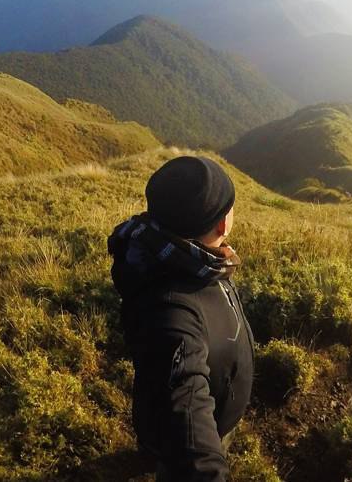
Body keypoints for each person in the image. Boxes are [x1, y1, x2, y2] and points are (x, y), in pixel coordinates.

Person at [108, 155, 254, 481]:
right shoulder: (174, 312)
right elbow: (186, 408)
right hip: (207, 423)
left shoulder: (192, 260)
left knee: (161, 444)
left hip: (189, 405)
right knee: (171, 458)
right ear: (221, 223)